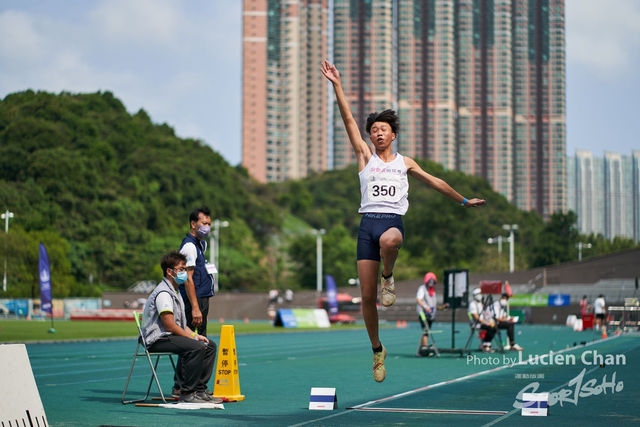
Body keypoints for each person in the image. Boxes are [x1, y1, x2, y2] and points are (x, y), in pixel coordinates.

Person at [321, 60, 486, 382]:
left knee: (390, 241)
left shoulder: (404, 162)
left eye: (383, 129)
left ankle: (389, 274)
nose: (377, 133)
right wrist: (336, 85)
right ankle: (376, 350)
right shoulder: (364, 157)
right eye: (373, 130)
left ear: (393, 135)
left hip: (391, 222)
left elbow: (435, 181)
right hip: (366, 224)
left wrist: (463, 200)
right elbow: (348, 119)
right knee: (367, 297)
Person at [141, 251, 219, 404]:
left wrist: (195, 335)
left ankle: (199, 389)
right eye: (181, 269)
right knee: (196, 348)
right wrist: (191, 338)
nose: (185, 272)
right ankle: (187, 393)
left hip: (169, 336)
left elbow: (181, 324)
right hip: (157, 339)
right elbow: (169, 324)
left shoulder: (175, 292)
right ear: (169, 271)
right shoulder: (164, 293)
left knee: (209, 345)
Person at [179, 206, 215, 337]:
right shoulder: (189, 246)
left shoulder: (199, 245)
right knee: (191, 341)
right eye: (204, 223)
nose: (207, 227)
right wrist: (195, 307)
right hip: (193, 300)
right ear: (193, 224)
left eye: (209, 224)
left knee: (201, 339)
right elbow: (188, 279)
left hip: (201, 299)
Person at [468, 288, 497, 353]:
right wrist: (487, 323)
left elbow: (486, 314)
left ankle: (486, 343)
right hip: (476, 324)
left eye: (481, 294)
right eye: (479, 294)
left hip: (484, 323)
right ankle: (485, 345)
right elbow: (476, 318)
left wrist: (490, 321)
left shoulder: (482, 303)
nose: (480, 295)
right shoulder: (472, 304)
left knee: (494, 327)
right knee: (490, 328)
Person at [416, 272, 437, 355]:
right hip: (423, 313)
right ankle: (424, 348)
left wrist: (441, 307)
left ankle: (423, 348)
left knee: (426, 331)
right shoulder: (422, 289)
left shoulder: (432, 290)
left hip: (430, 314)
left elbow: (433, 303)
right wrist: (426, 307)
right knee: (426, 330)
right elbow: (419, 299)